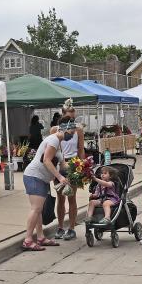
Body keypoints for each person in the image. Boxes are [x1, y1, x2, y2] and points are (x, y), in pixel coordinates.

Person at [21, 116, 73, 251]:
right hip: (34, 177)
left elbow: (63, 164)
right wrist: (60, 177)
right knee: (36, 209)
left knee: (38, 210)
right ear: (64, 129)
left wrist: (79, 169)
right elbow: (46, 160)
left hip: (42, 179)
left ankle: (40, 237)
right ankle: (27, 240)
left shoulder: (58, 142)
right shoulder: (53, 140)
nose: (72, 135)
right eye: (71, 132)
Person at [54, 101, 85, 241]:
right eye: (70, 118)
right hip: (60, 165)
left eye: (74, 118)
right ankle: (60, 227)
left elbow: (81, 149)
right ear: (63, 116)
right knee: (60, 198)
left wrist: (82, 166)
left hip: (73, 164)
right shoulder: (55, 130)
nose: (72, 121)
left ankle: (71, 228)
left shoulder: (78, 130)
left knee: (71, 197)